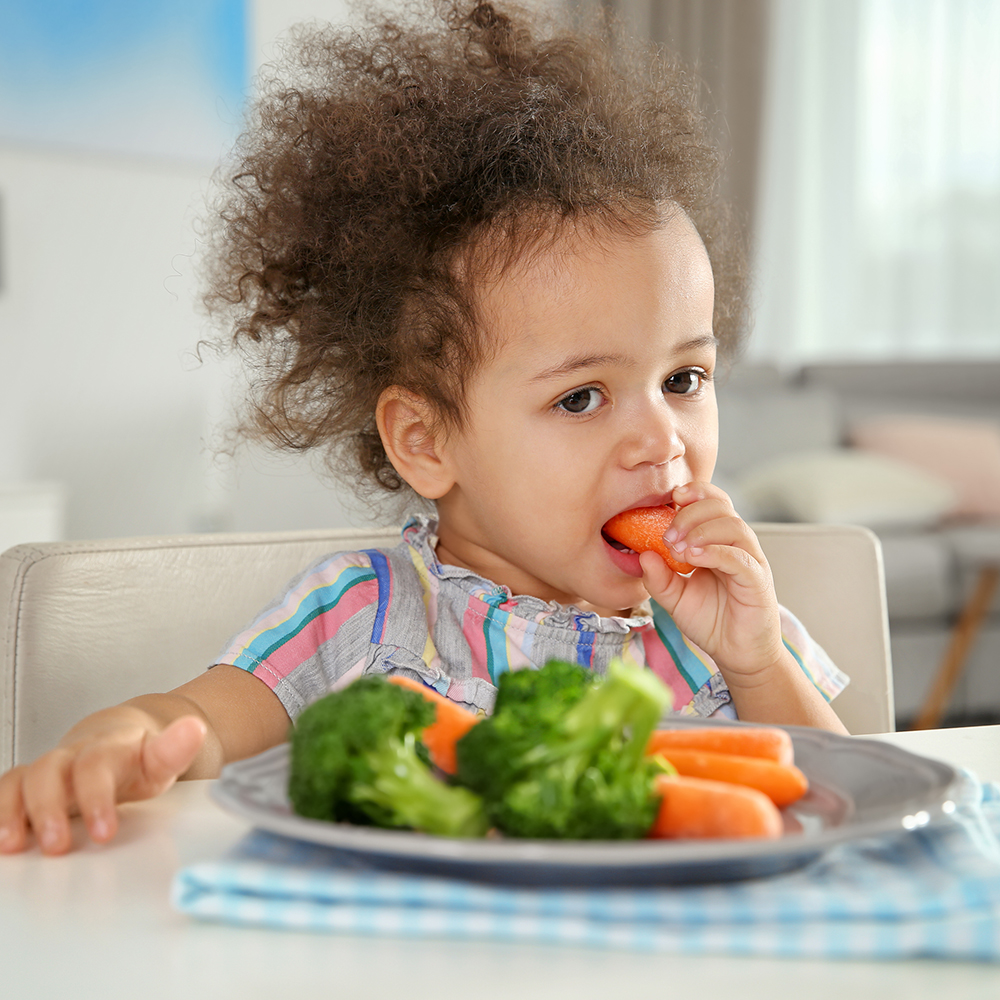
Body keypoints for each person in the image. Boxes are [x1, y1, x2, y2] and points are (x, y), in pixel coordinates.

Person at [0, 0, 848, 857]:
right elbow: (194, 722)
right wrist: (114, 741)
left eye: (684, 379)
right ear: (425, 440)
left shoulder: (721, 633)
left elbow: (849, 806)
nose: (663, 438)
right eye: (582, 398)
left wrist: (758, 662)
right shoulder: (363, 615)